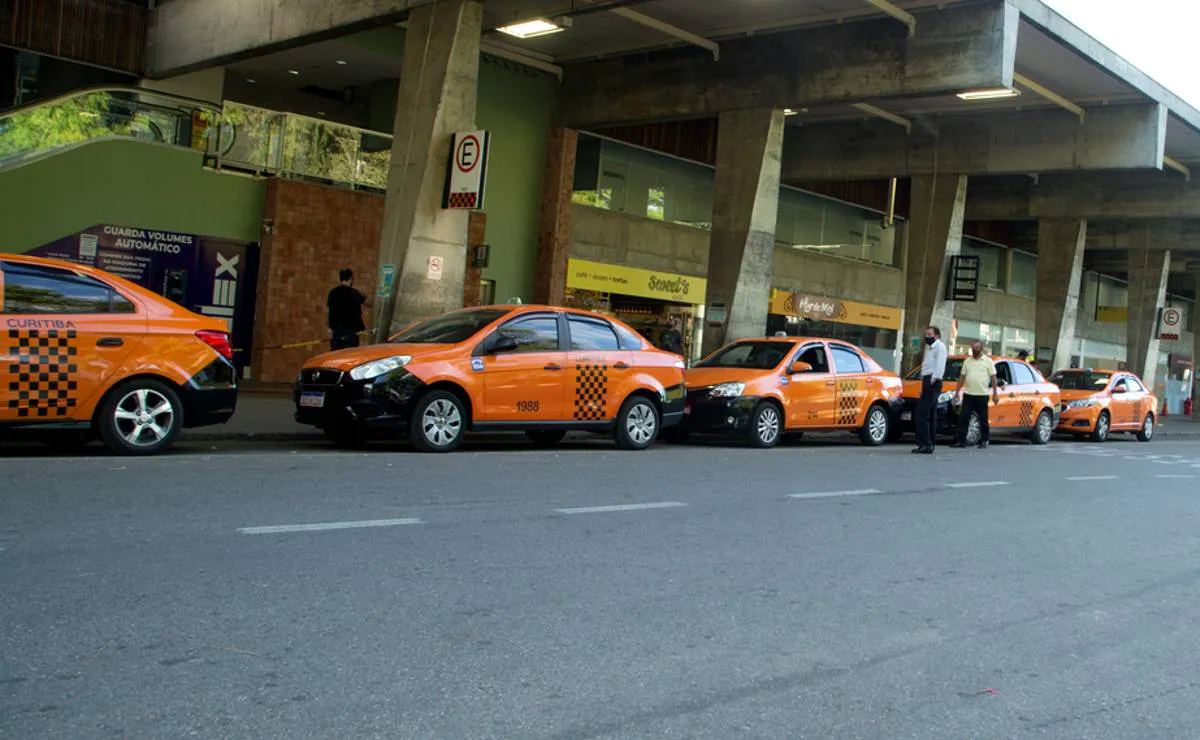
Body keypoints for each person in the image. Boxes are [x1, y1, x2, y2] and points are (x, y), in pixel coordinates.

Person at [953, 340, 1000, 449]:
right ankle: (961, 441)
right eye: (973, 349)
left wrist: (995, 393)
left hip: (982, 395)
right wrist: (957, 392)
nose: (974, 351)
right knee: (964, 417)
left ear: (981, 349)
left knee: (983, 419)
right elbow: (962, 377)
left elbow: (993, 378)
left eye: (976, 349)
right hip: (969, 394)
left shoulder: (988, 361)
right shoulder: (967, 361)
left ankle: (984, 440)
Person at [913, 325, 948, 454]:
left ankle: (926, 443)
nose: (927, 337)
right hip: (928, 381)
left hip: (933, 381)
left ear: (937, 336)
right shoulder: (931, 349)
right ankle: (929, 443)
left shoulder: (940, 347)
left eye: (929, 334)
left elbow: (940, 364)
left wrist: (933, 379)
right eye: (926, 334)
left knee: (921, 414)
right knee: (931, 414)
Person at [327, 268, 366, 350]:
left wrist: (330, 328)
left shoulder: (333, 293)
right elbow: (359, 311)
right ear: (351, 279)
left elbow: (330, 312)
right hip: (350, 333)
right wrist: (361, 327)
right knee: (349, 357)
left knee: (336, 356)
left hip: (336, 332)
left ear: (340, 278)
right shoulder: (354, 293)